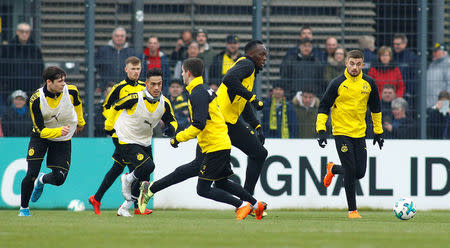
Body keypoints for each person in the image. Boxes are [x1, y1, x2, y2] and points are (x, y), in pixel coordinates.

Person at [139, 58, 266, 220]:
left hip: (215, 145)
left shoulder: (197, 93)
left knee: (203, 188)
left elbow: (198, 124)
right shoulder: (204, 90)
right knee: (220, 182)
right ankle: (255, 204)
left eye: (183, 72)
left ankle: (242, 205)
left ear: (189, 73)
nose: (182, 75)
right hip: (219, 143)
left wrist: (178, 138)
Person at [316, 50, 384, 219]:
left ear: (363, 64)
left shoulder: (369, 83)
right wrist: (321, 130)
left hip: (360, 133)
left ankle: (333, 169)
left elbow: (376, 109)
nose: (354, 67)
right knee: (352, 170)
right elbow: (324, 106)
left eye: (358, 64)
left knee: (360, 172)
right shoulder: (337, 83)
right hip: (341, 132)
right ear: (346, 63)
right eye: (351, 63)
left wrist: (378, 132)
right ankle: (352, 210)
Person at [104, 68, 177, 217]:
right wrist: (109, 126)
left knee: (144, 180)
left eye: (159, 84)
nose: (156, 88)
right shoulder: (133, 98)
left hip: (144, 141)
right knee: (148, 165)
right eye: (153, 84)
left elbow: (172, 120)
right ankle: (127, 178)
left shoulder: (165, 103)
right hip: (125, 139)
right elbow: (114, 106)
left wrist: (171, 129)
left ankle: (124, 208)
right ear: (146, 84)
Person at [18, 66, 85, 216]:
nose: (63, 84)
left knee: (60, 178)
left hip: (62, 138)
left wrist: (80, 122)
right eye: (60, 81)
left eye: (64, 80)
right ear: (49, 82)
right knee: (31, 174)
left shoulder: (71, 90)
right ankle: (24, 208)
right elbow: (40, 130)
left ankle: (42, 180)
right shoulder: (36, 99)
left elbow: (78, 104)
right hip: (41, 137)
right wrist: (57, 131)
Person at [89, 56, 150, 215]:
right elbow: (106, 107)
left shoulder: (144, 86)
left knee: (117, 168)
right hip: (122, 135)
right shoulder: (119, 88)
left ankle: (96, 198)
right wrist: (115, 125)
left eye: (138, 69)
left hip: (137, 134)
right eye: (133, 69)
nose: (136, 72)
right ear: (126, 69)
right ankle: (136, 207)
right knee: (139, 168)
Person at [0, 23, 44, 105]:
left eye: (27, 32)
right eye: (22, 31)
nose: (24, 34)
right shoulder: (8, 48)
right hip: (11, 85)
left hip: (31, 85)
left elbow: (40, 67)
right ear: (17, 32)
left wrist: (38, 81)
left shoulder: (35, 49)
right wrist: (4, 83)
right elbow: (3, 66)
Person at [95, 27, 137, 91]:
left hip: (127, 87)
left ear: (125, 37)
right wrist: (100, 85)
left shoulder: (131, 52)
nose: (119, 38)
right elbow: (96, 68)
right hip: (107, 88)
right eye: (117, 36)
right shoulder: (103, 51)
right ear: (112, 37)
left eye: (122, 36)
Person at [392, 33, 418, 101]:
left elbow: (414, 76)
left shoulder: (411, 57)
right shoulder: (391, 56)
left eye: (398, 44)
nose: (395, 46)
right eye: (394, 44)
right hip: (392, 93)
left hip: (406, 94)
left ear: (405, 44)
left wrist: (409, 92)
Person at [426, 43, 450, 107]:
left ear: (443, 52)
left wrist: (445, 104)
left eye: (436, 51)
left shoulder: (447, 64)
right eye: (433, 51)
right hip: (430, 104)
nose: (433, 53)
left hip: (441, 105)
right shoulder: (432, 64)